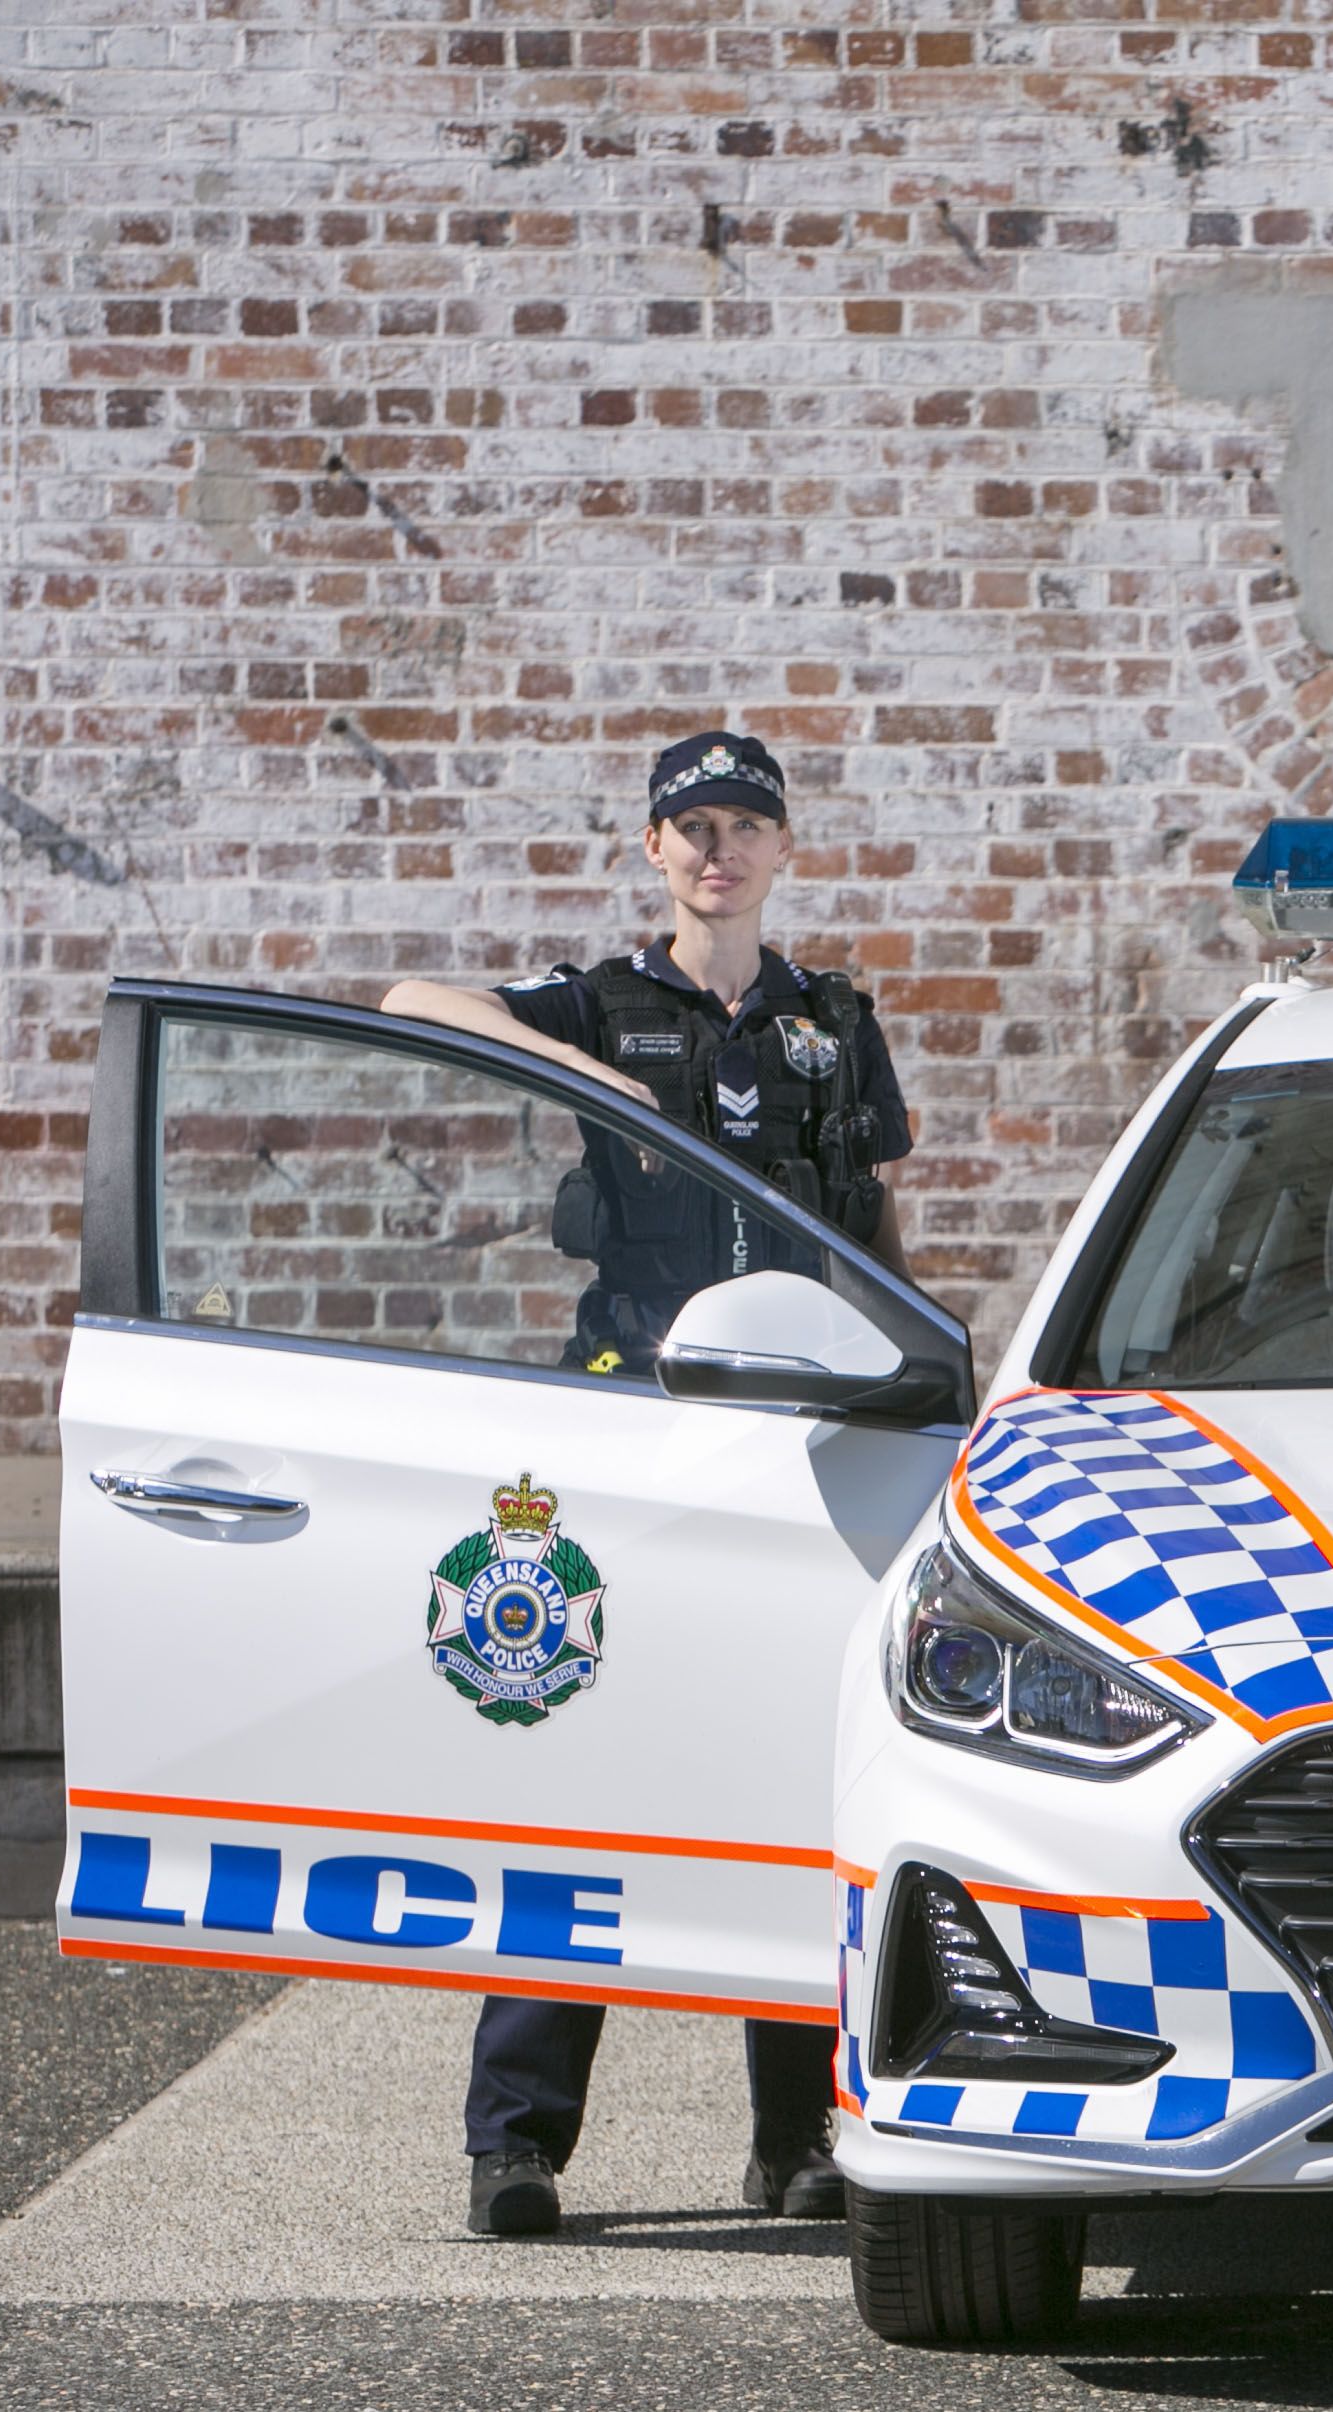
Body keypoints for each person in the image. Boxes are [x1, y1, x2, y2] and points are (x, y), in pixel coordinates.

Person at [382, 729, 914, 2239]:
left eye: (745, 825)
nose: (718, 850)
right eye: (693, 827)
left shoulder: (832, 1021)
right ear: (653, 848)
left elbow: (876, 1222)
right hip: (630, 1422)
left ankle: (795, 2139)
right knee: (572, 1772)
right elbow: (410, 1003)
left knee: (796, 1784)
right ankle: (517, 2145)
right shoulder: (605, 999)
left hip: (804, 1432)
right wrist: (566, 1060)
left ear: (781, 850)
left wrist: (926, 1381)